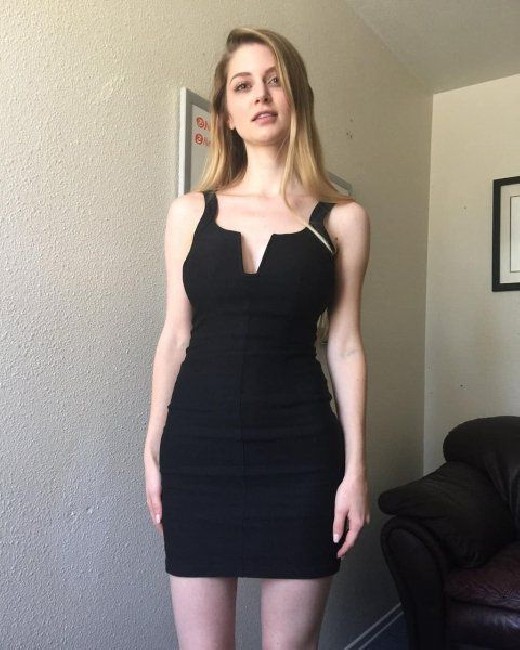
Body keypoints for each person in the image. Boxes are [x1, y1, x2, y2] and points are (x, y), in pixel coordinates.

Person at [144, 26, 370, 650]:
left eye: (274, 80)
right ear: (226, 113)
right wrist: (152, 447)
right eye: (243, 85)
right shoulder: (189, 213)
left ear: (297, 97)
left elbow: (346, 346)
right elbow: (174, 335)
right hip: (198, 451)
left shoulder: (342, 219)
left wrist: (355, 470)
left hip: (301, 455)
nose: (261, 95)